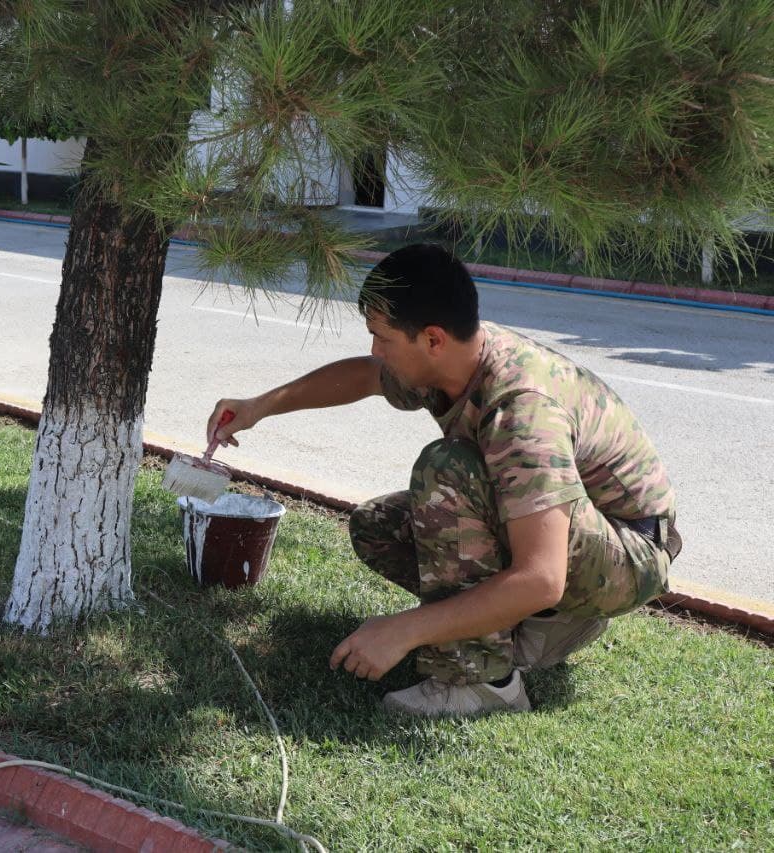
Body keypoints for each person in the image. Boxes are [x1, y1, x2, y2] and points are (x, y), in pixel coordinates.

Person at [207, 243, 681, 717]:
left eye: (383, 337)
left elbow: (543, 576)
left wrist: (405, 629)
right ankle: (538, 626)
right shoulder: (453, 358)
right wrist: (258, 407)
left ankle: (485, 683)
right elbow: (367, 377)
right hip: (580, 536)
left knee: (447, 471)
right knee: (378, 525)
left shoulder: (521, 407)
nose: (375, 349)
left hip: (627, 553)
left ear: (433, 339)